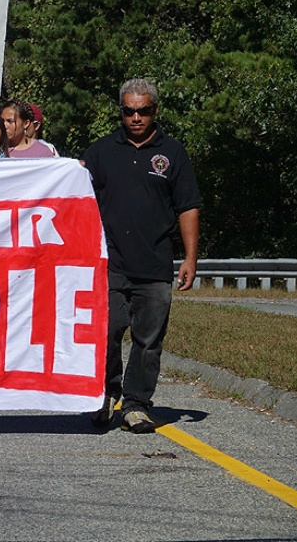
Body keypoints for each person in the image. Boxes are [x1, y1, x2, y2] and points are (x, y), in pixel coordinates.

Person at [82, 78, 201, 434]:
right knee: (106, 332)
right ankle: (104, 395)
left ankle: (136, 405)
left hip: (154, 263)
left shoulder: (173, 153)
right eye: (129, 111)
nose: (136, 117)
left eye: (144, 111)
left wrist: (191, 259)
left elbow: (188, 207)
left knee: (148, 341)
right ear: (121, 111)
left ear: (155, 111)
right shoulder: (101, 151)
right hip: (109, 262)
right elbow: (75, 198)